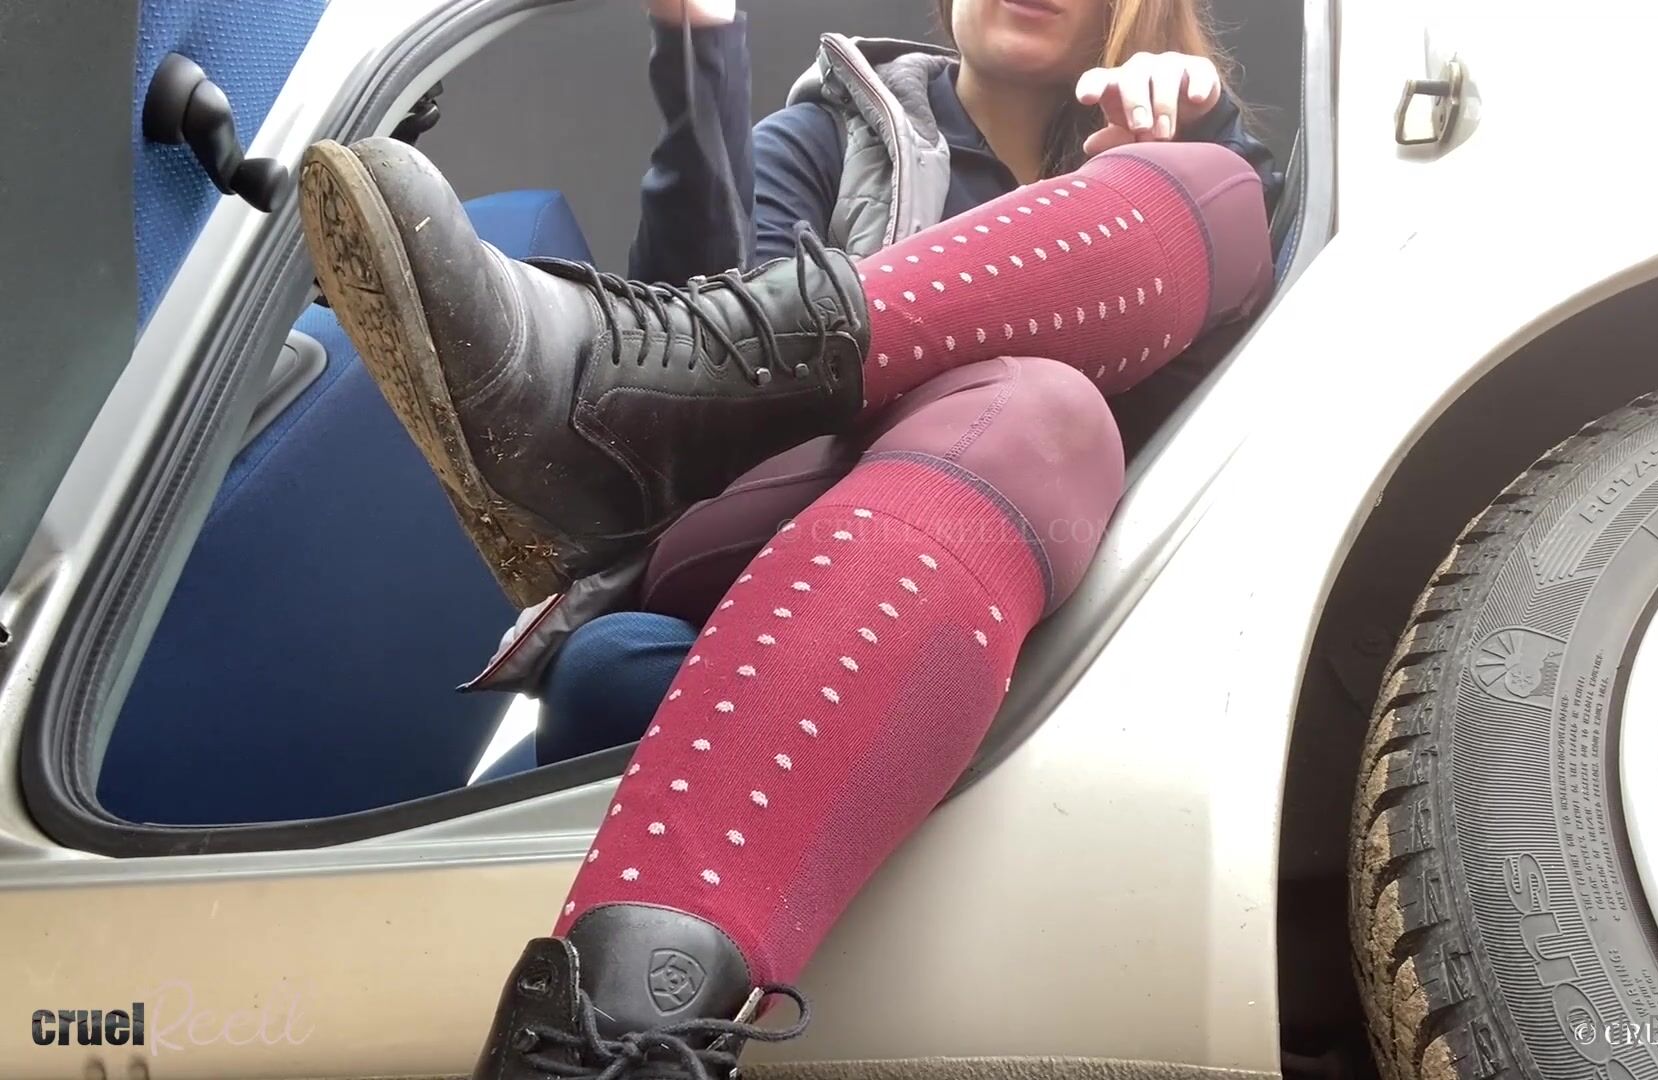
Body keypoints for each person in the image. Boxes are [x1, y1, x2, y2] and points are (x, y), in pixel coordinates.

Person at [294, 0, 1280, 1075]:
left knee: (1196, 217)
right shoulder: (821, 141)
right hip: (776, 517)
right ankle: (616, 408)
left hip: (1055, 572)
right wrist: (699, 65)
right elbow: (729, 390)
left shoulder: (1175, 149)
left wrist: (1204, 136)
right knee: (1040, 407)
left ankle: (609, 1046)